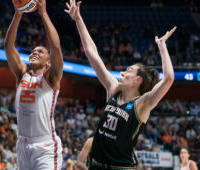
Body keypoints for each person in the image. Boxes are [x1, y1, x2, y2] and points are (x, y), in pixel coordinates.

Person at [65, 0, 176, 168]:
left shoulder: (142, 104)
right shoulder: (113, 89)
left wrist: (161, 46)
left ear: (137, 80)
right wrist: (79, 20)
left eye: (128, 70)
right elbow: (91, 52)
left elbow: (168, 78)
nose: (122, 73)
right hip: (95, 164)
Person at [4, 0, 64, 169]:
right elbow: (8, 47)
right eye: (33, 51)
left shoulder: (51, 77)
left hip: (45, 146)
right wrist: (18, 14)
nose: (34, 52)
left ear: (48, 63)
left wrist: (44, 13)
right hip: (22, 145)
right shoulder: (22, 74)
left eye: (40, 52)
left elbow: (56, 47)